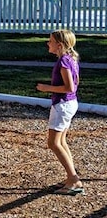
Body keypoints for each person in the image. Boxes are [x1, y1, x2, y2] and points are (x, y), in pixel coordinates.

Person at [36, 30, 84, 195]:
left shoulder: (63, 61)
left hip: (62, 105)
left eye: (50, 41)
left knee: (53, 143)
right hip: (69, 104)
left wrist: (46, 88)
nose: (48, 43)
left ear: (60, 45)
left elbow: (69, 87)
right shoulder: (70, 59)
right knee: (61, 142)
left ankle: (73, 179)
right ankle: (72, 177)